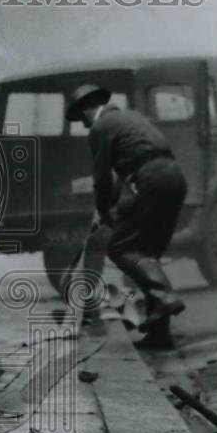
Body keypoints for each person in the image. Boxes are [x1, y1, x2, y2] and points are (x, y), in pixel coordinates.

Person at [65, 84, 188, 350]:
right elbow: (121, 175)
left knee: (122, 248)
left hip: (151, 179)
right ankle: (160, 334)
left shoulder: (101, 127)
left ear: (87, 110)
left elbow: (102, 177)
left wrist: (101, 209)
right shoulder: (131, 118)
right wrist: (109, 211)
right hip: (174, 177)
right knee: (147, 253)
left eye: (81, 119)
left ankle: (165, 297)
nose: (84, 125)